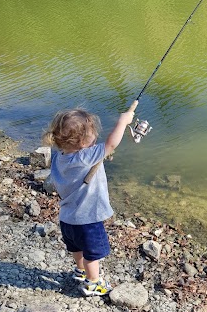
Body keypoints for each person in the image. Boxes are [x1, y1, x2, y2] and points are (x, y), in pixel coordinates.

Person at [43, 100, 138, 296]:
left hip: (68, 218)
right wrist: (123, 122)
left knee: (76, 248)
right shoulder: (85, 157)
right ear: (83, 142)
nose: (96, 134)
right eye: (92, 132)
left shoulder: (59, 157)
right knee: (92, 254)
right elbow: (111, 143)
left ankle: (79, 271)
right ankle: (93, 283)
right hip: (87, 220)